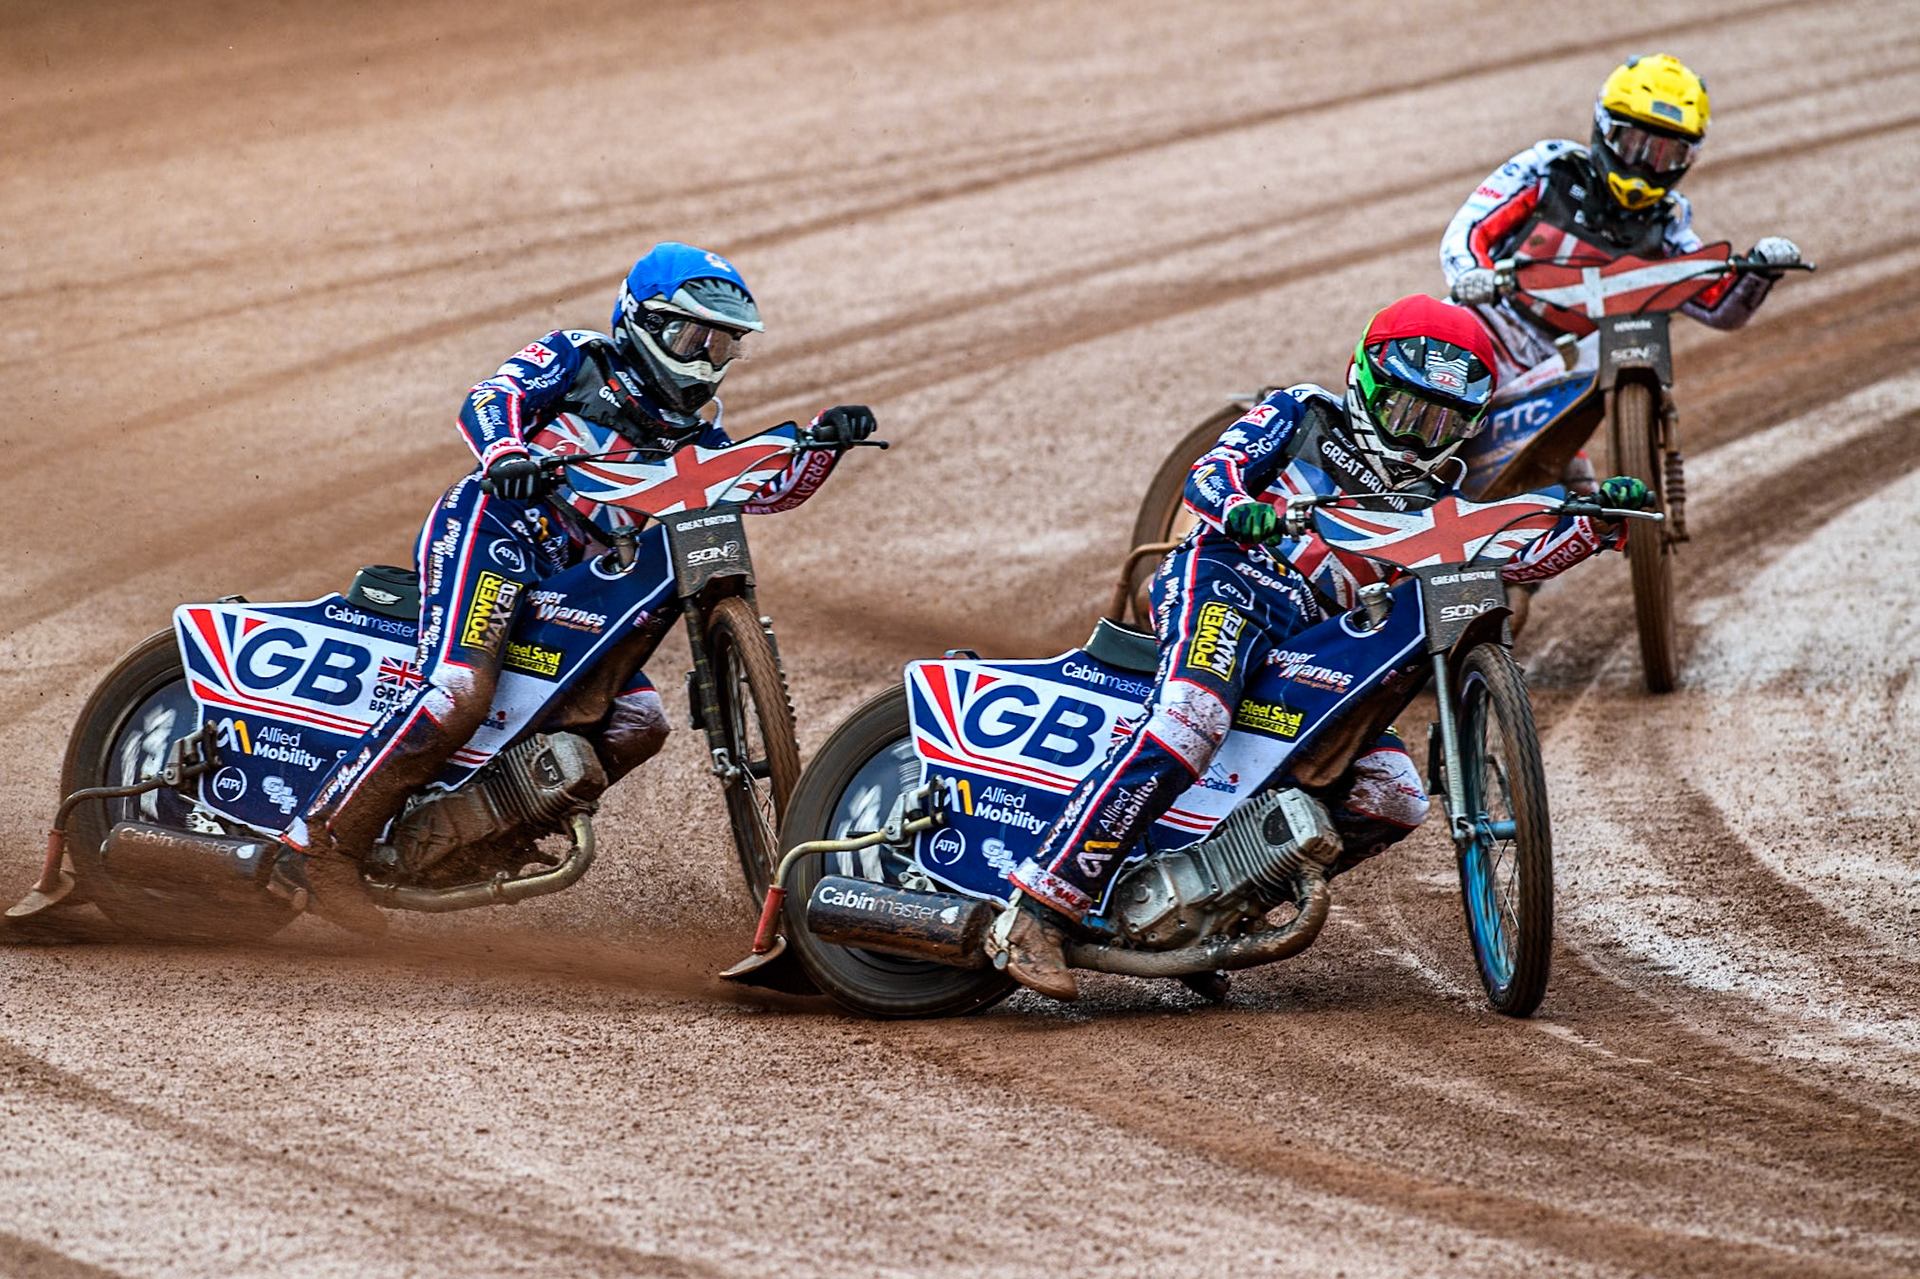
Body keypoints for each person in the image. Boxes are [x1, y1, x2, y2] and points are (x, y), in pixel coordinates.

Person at [998, 295, 1648, 999]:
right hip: (1226, 580)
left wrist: (1595, 526)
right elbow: (1210, 473)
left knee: (1393, 795)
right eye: (1408, 412)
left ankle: (1211, 908)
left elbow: (1510, 564)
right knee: (1192, 717)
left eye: (1442, 423)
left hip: (1317, 636)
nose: (1419, 439)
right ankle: (1040, 910)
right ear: (1365, 382)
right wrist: (1242, 508)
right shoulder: (1304, 412)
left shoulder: (1440, 497)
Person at [281, 242, 877, 933]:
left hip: (570, 575)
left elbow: (763, 491)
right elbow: (491, 396)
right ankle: (320, 844)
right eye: (693, 336)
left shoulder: (699, 429)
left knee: (637, 722)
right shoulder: (579, 355)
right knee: (458, 691)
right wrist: (507, 453)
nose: (707, 357)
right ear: (643, 322)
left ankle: (478, 829)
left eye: (723, 344)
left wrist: (824, 446)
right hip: (497, 531)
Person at [1441, 53, 1801, 400]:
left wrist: (1759, 272)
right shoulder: (1551, 168)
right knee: (1426, 354)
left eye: (1665, 155)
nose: (1645, 166)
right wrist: (1471, 273)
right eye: (1635, 145)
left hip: (1559, 381)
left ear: (1687, 159)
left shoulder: (1668, 227)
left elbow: (1717, 306)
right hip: (1486, 333)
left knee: (1577, 468)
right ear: (1605, 128)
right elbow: (1469, 230)